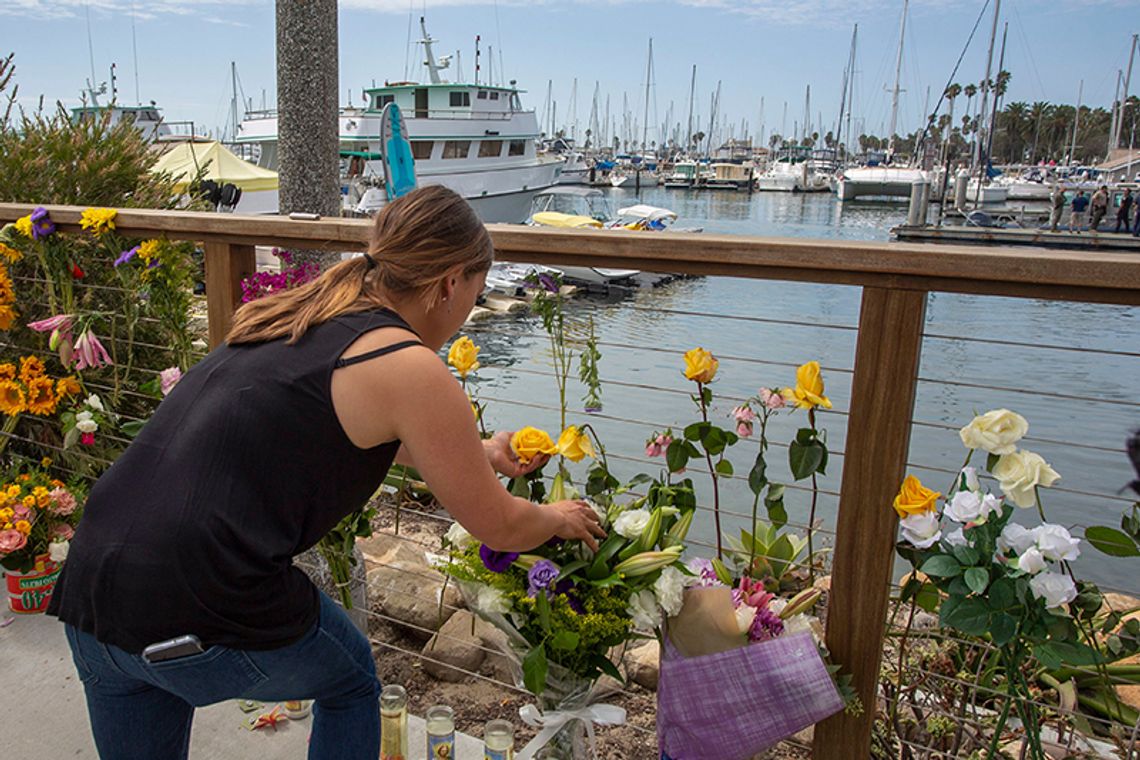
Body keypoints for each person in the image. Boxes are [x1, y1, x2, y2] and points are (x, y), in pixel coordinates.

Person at [47, 185, 606, 760]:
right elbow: (502, 527)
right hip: (204, 602)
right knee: (348, 683)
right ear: (450, 283)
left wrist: (479, 452)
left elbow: (332, 424)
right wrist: (556, 517)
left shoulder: (300, 315)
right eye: (476, 293)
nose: (466, 314)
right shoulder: (411, 366)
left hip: (93, 594)